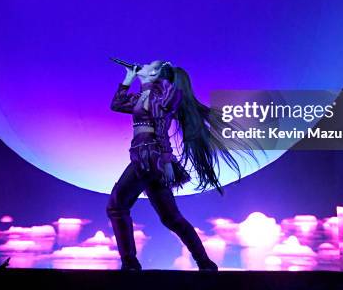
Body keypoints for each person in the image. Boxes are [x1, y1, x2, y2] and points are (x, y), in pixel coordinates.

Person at [106, 60, 261, 271]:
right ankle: (205, 264)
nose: (143, 65)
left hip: (149, 157)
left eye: (149, 65)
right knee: (171, 218)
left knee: (117, 206)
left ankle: (130, 264)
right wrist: (128, 79)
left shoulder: (163, 94)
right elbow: (116, 104)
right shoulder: (146, 94)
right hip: (149, 158)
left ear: (156, 75)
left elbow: (159, 127)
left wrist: (167, 160)